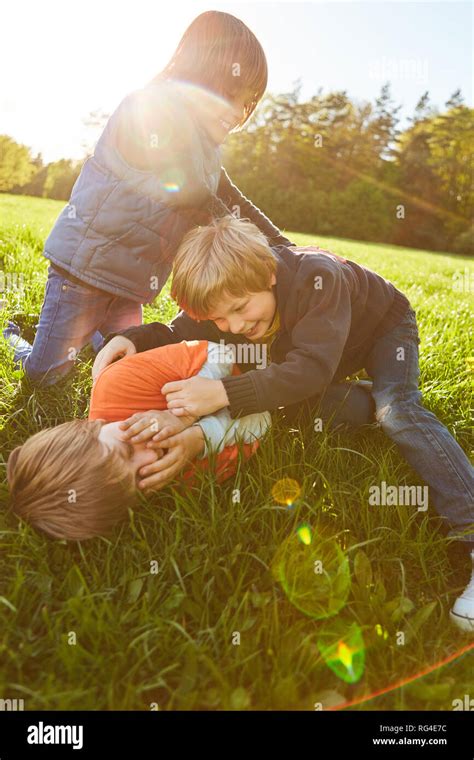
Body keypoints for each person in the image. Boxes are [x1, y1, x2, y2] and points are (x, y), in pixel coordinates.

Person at [93, 215, 474, 631]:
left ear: (270, 274)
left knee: (397, 411)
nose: (234, 327)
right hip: (320, 351)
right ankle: (367, 397)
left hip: (381, 331)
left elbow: (310, 369)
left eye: (240, 309)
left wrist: (223, 395)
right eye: (221, 320)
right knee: (300, 408)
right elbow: (179, 330)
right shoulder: (232, 302)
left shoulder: (319, 278)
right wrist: (135, 338)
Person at [1, 10, 296, 385]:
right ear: (199, 77)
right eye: (232, 97)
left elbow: (231, 197)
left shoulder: (207, 149)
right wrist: (251, 252)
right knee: (46, 378)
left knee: (123, 362)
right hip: (84, 273)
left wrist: (284, 247)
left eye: (247, 103)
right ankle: (14, 340)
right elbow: (192, 192)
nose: (239, 114)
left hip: (130, 283)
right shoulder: (152, 110)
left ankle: (90, 336)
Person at [6, 338, 270, 540]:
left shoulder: (117, 384)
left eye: (127, 450)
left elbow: (220, 351)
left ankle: (11, 336)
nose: (151, 457)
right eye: (138, 481)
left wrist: (186, 414)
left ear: (89, 426)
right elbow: (264, 418)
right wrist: (200, 439)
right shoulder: (179, 482)